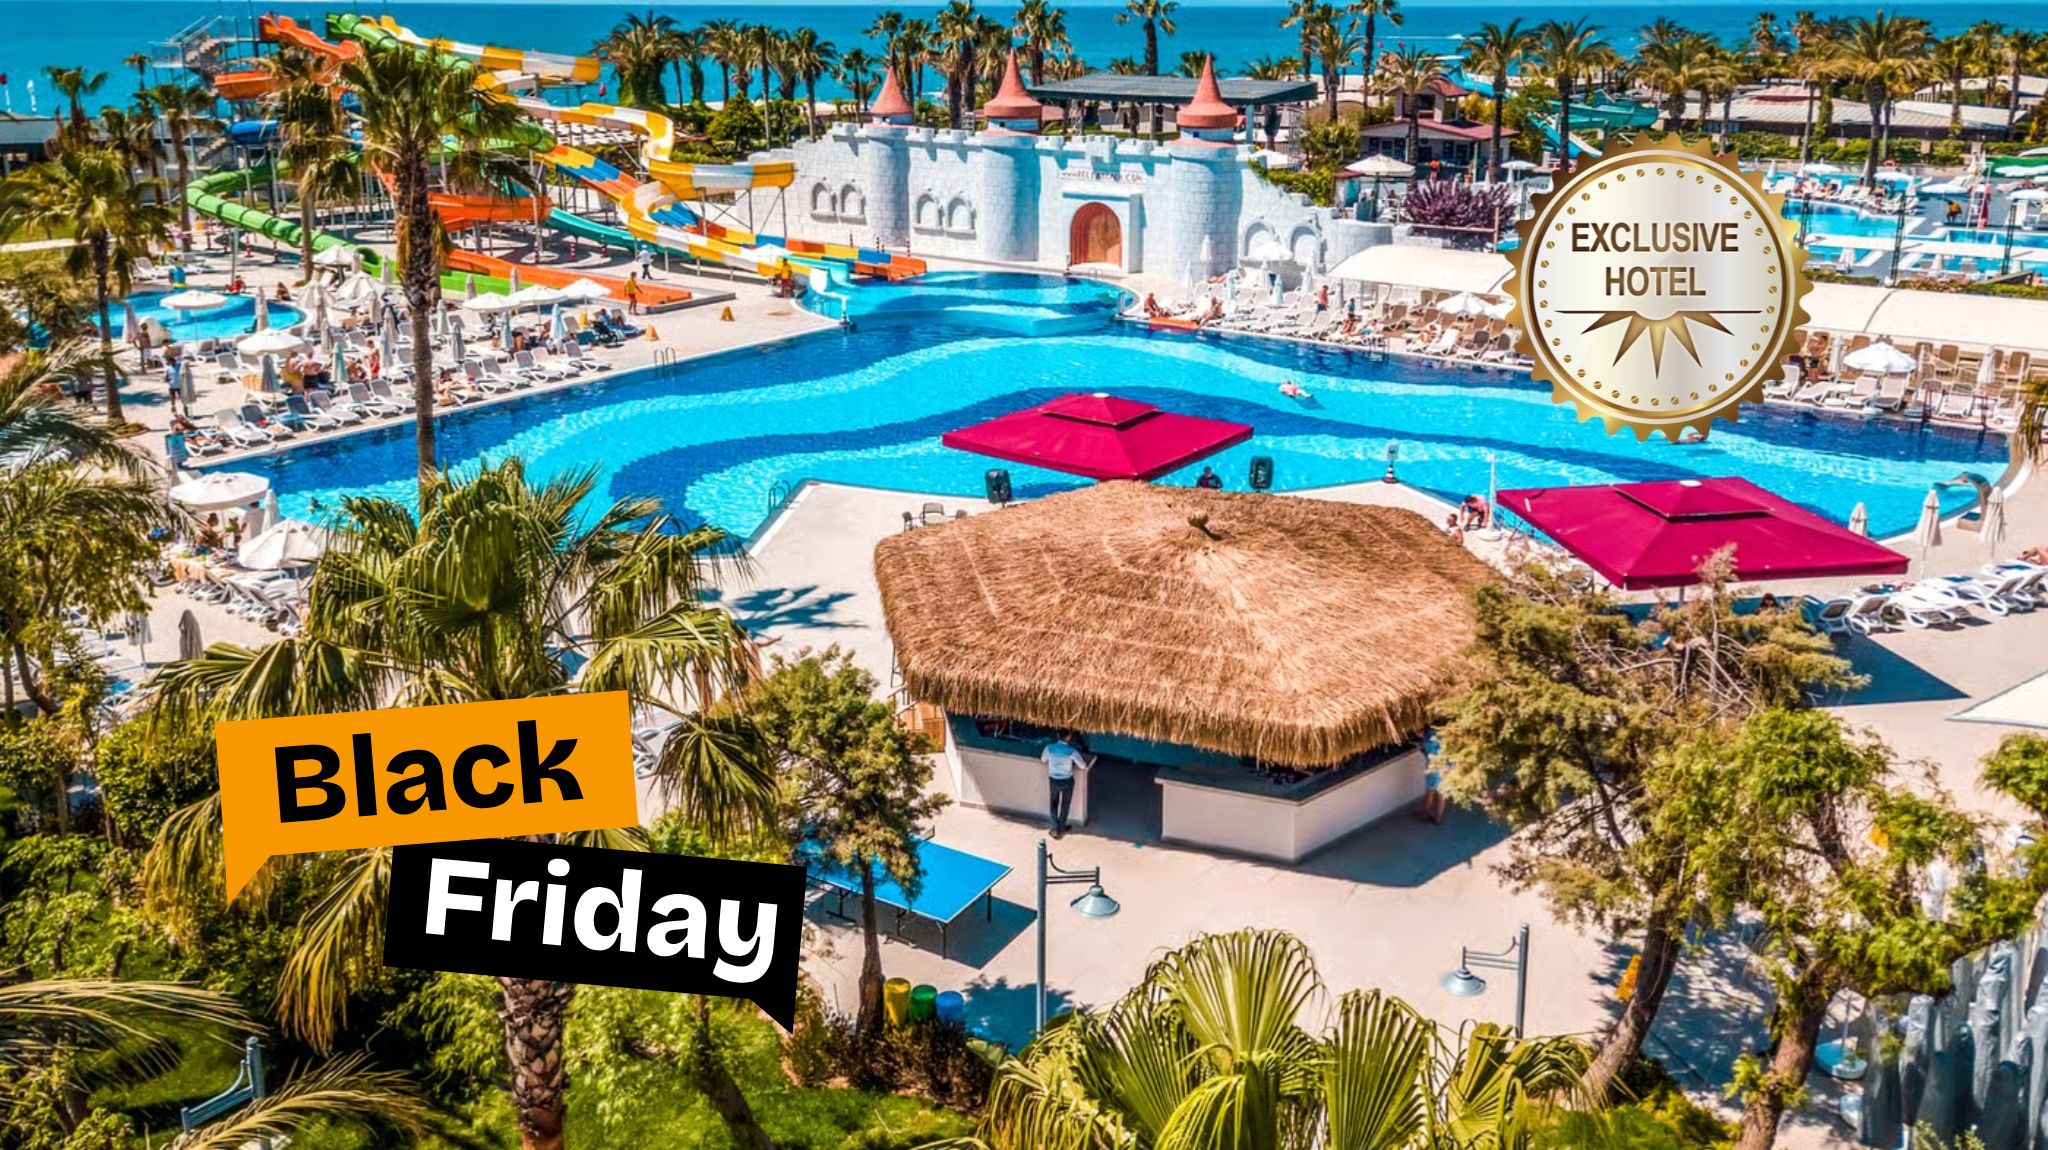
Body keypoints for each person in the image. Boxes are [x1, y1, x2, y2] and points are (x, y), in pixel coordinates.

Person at [1041, 731, 1089, 838]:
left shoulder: (1049, 748)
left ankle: (1054, 828)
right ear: (1069, 737)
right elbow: (1082, 765)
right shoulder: (1071, 751)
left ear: (1058, 735)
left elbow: (1043, 759)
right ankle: (1062, 827)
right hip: (1067, 781)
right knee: (1065, 804)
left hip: (1054, 780)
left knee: (1053, 804)